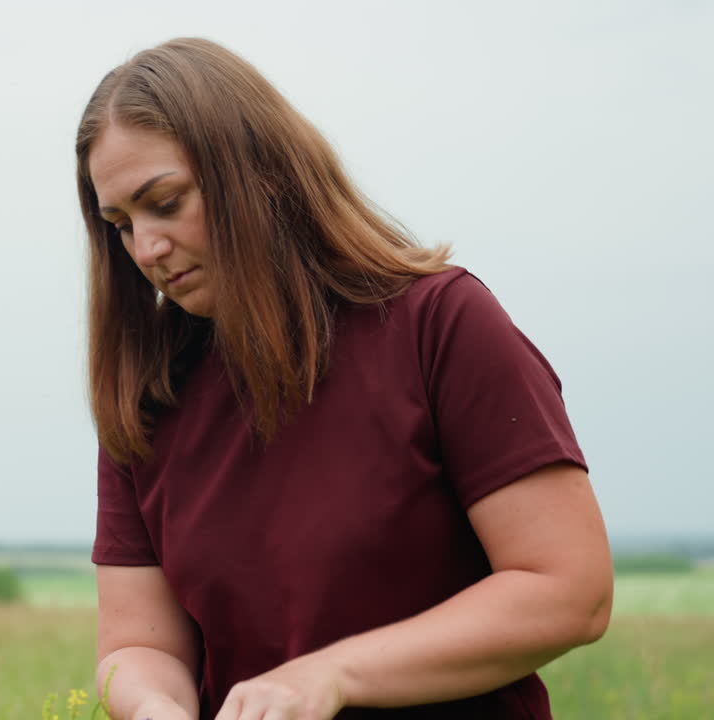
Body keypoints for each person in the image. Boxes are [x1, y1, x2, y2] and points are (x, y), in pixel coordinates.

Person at [75, 38, 612, 720]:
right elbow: (137, 643)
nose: (146, 249)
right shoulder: (147, 394)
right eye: (120, 224)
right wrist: (156, 707)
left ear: (258, 170)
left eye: (167, 202)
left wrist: (330, 677)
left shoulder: (437, 323)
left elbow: (569, 589)